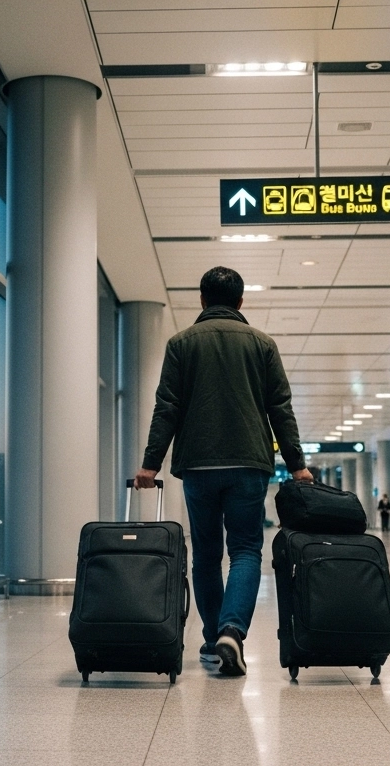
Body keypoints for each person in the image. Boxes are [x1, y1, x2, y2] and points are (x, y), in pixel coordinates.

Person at [134, 266, 312, 677]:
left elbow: (168, 407)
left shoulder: (181, 343)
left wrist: (150, 463)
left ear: (201, 299)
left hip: (198, 464)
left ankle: (214, 640)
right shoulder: (262, 344)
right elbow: (279, 408)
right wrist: (297, 466)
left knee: (207, 555)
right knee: (246, 550)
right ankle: (233, 631)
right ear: (241, 302)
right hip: (249, 463)